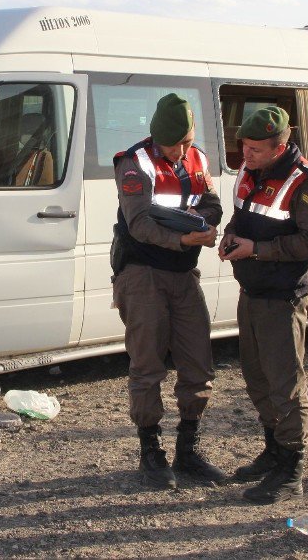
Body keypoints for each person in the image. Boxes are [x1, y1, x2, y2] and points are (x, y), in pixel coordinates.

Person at [216, 106, 308, 505]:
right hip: (252, 293)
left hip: (283, 298)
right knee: (257, 379)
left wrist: (257, 250)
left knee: (286, 384)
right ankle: (273, 450)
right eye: (244, 147)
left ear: (280, 146)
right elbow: (241, 217)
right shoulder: (250, 173)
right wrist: (231, 237)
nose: (246, 155)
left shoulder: (307, 183)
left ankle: (291, 468)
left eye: (256, 149)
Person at [111, 93, 226, 488]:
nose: (184, 150)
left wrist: (205, 223)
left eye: (189, 140)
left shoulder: (196, 159)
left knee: (199, 364)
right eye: (177, 143)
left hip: (183, 275)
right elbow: (139, 223)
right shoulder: (134, 163)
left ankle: (188, 451)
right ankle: (151, 453)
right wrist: (185, 239)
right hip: (143, 274)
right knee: (147, 366)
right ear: (158, 137)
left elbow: (212, 202)